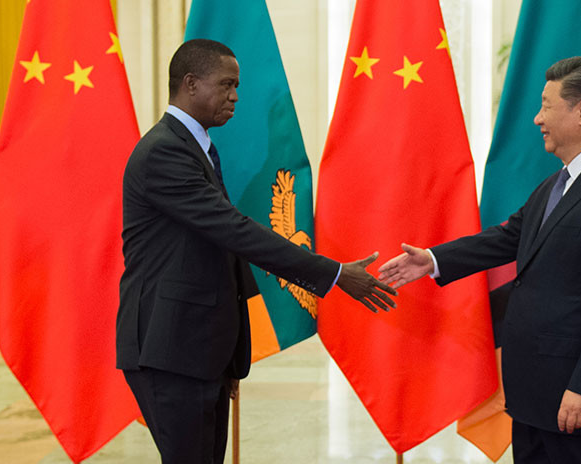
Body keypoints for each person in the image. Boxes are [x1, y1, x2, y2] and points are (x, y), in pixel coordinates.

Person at [116, 39, 396, 463]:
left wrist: (228, 355)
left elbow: (218, 250)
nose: (235, 96)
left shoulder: (196, 147)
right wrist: (335, 274)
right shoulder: (164, 152)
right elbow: (234, 231)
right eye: (226, 84)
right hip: (170, 349)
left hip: (198, 349)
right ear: (190, 84)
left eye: (237, 86)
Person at [379, 56, 581, 463]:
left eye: (546, 106)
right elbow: (509, 237)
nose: (537, 119)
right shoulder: (556, 183)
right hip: (535, 400)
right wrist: (434, 260)